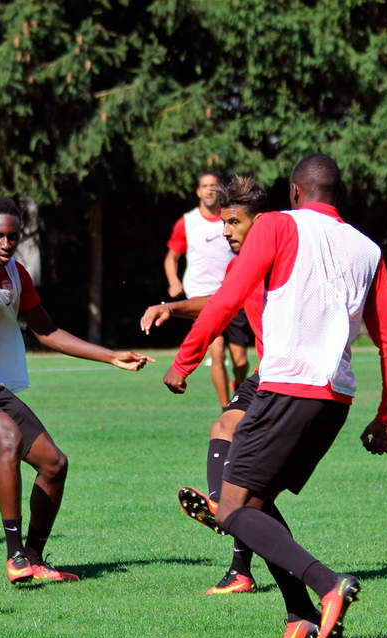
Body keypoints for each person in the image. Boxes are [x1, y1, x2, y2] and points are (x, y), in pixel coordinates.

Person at [163, 154, 387, 638]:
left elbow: (229, 297)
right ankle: (300, 618)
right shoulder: (368, 248)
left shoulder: (276, 225)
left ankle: (327, 583)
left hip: (287, 388)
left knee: (232, 508)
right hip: (335, 399)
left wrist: (184, 361)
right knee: (255, 505)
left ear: (295, 193)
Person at [0, 196, 154, 584]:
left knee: (54, 463)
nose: (5, 244)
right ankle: (15, 555)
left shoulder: (16, 273)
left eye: (12, 237)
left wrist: (110, 356)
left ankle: (33, 557)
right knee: (9, 436)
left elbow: (46, 330)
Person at [141, 175, 270, 595]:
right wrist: (172, 306)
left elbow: (220, 306)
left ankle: (232, 532)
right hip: (265, 374)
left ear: (260, 221)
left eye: (233, 222)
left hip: (290, 376)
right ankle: (224, 517)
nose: (225, 231)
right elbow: (219, 301)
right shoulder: (240, 264)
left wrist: (183, 363)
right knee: (223, 429)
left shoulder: (278, 255)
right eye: (224, 223)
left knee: (250, 476)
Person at [163, 170, 253, 407]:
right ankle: (227, 407)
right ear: (198, 191)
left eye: (214, 185)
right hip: (202, 295)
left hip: (234, 294)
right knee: (217, 353)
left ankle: (240, 395)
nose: (210, 189)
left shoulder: (232, 218)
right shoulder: (187, 222)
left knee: (241, 360)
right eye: (205, 186)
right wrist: (174, 281)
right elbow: (171, 257)